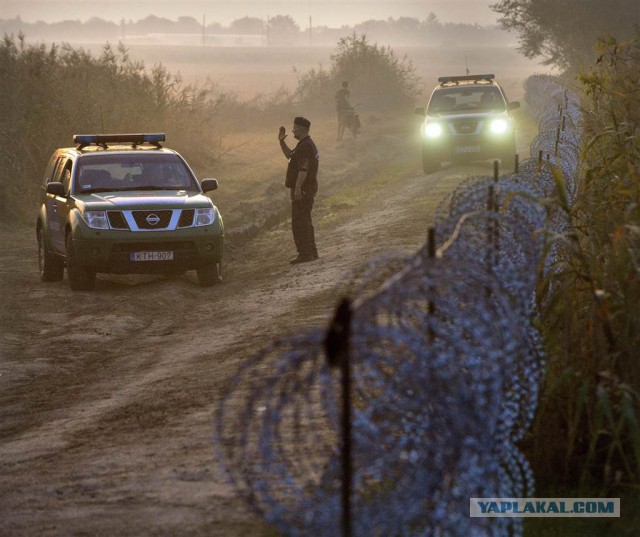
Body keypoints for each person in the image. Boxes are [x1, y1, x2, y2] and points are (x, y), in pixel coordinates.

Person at [278, 116, 319, 264]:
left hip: (303, 189)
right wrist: (281, 141)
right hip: (306, 188)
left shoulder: (305, 146)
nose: (292, 130)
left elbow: (304, 169)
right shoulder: (304, 145)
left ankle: (305, 253)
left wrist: (297, 189)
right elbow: (290, 156)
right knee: (305, 220)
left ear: (301, 129)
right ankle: (311, 252)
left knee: (300, 221)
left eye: (294, 128)